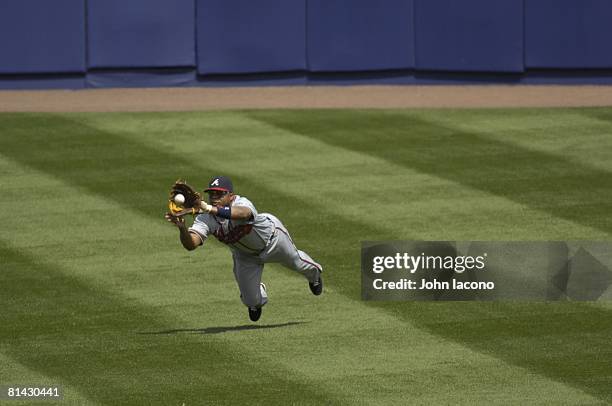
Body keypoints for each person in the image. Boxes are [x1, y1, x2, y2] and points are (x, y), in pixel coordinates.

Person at [164, 176, 323, 322]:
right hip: (245, 256)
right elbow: (191, 244)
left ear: (231, 196)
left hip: (273, 241)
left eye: (220, 194)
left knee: (297, 263)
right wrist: (182, 228)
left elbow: (243, 214)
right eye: (212, 194)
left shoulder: (241, 203)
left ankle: (314, 277)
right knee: (251, 301)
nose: (214, 198)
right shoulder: (205, 218)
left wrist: (208, 208)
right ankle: (257, 292)